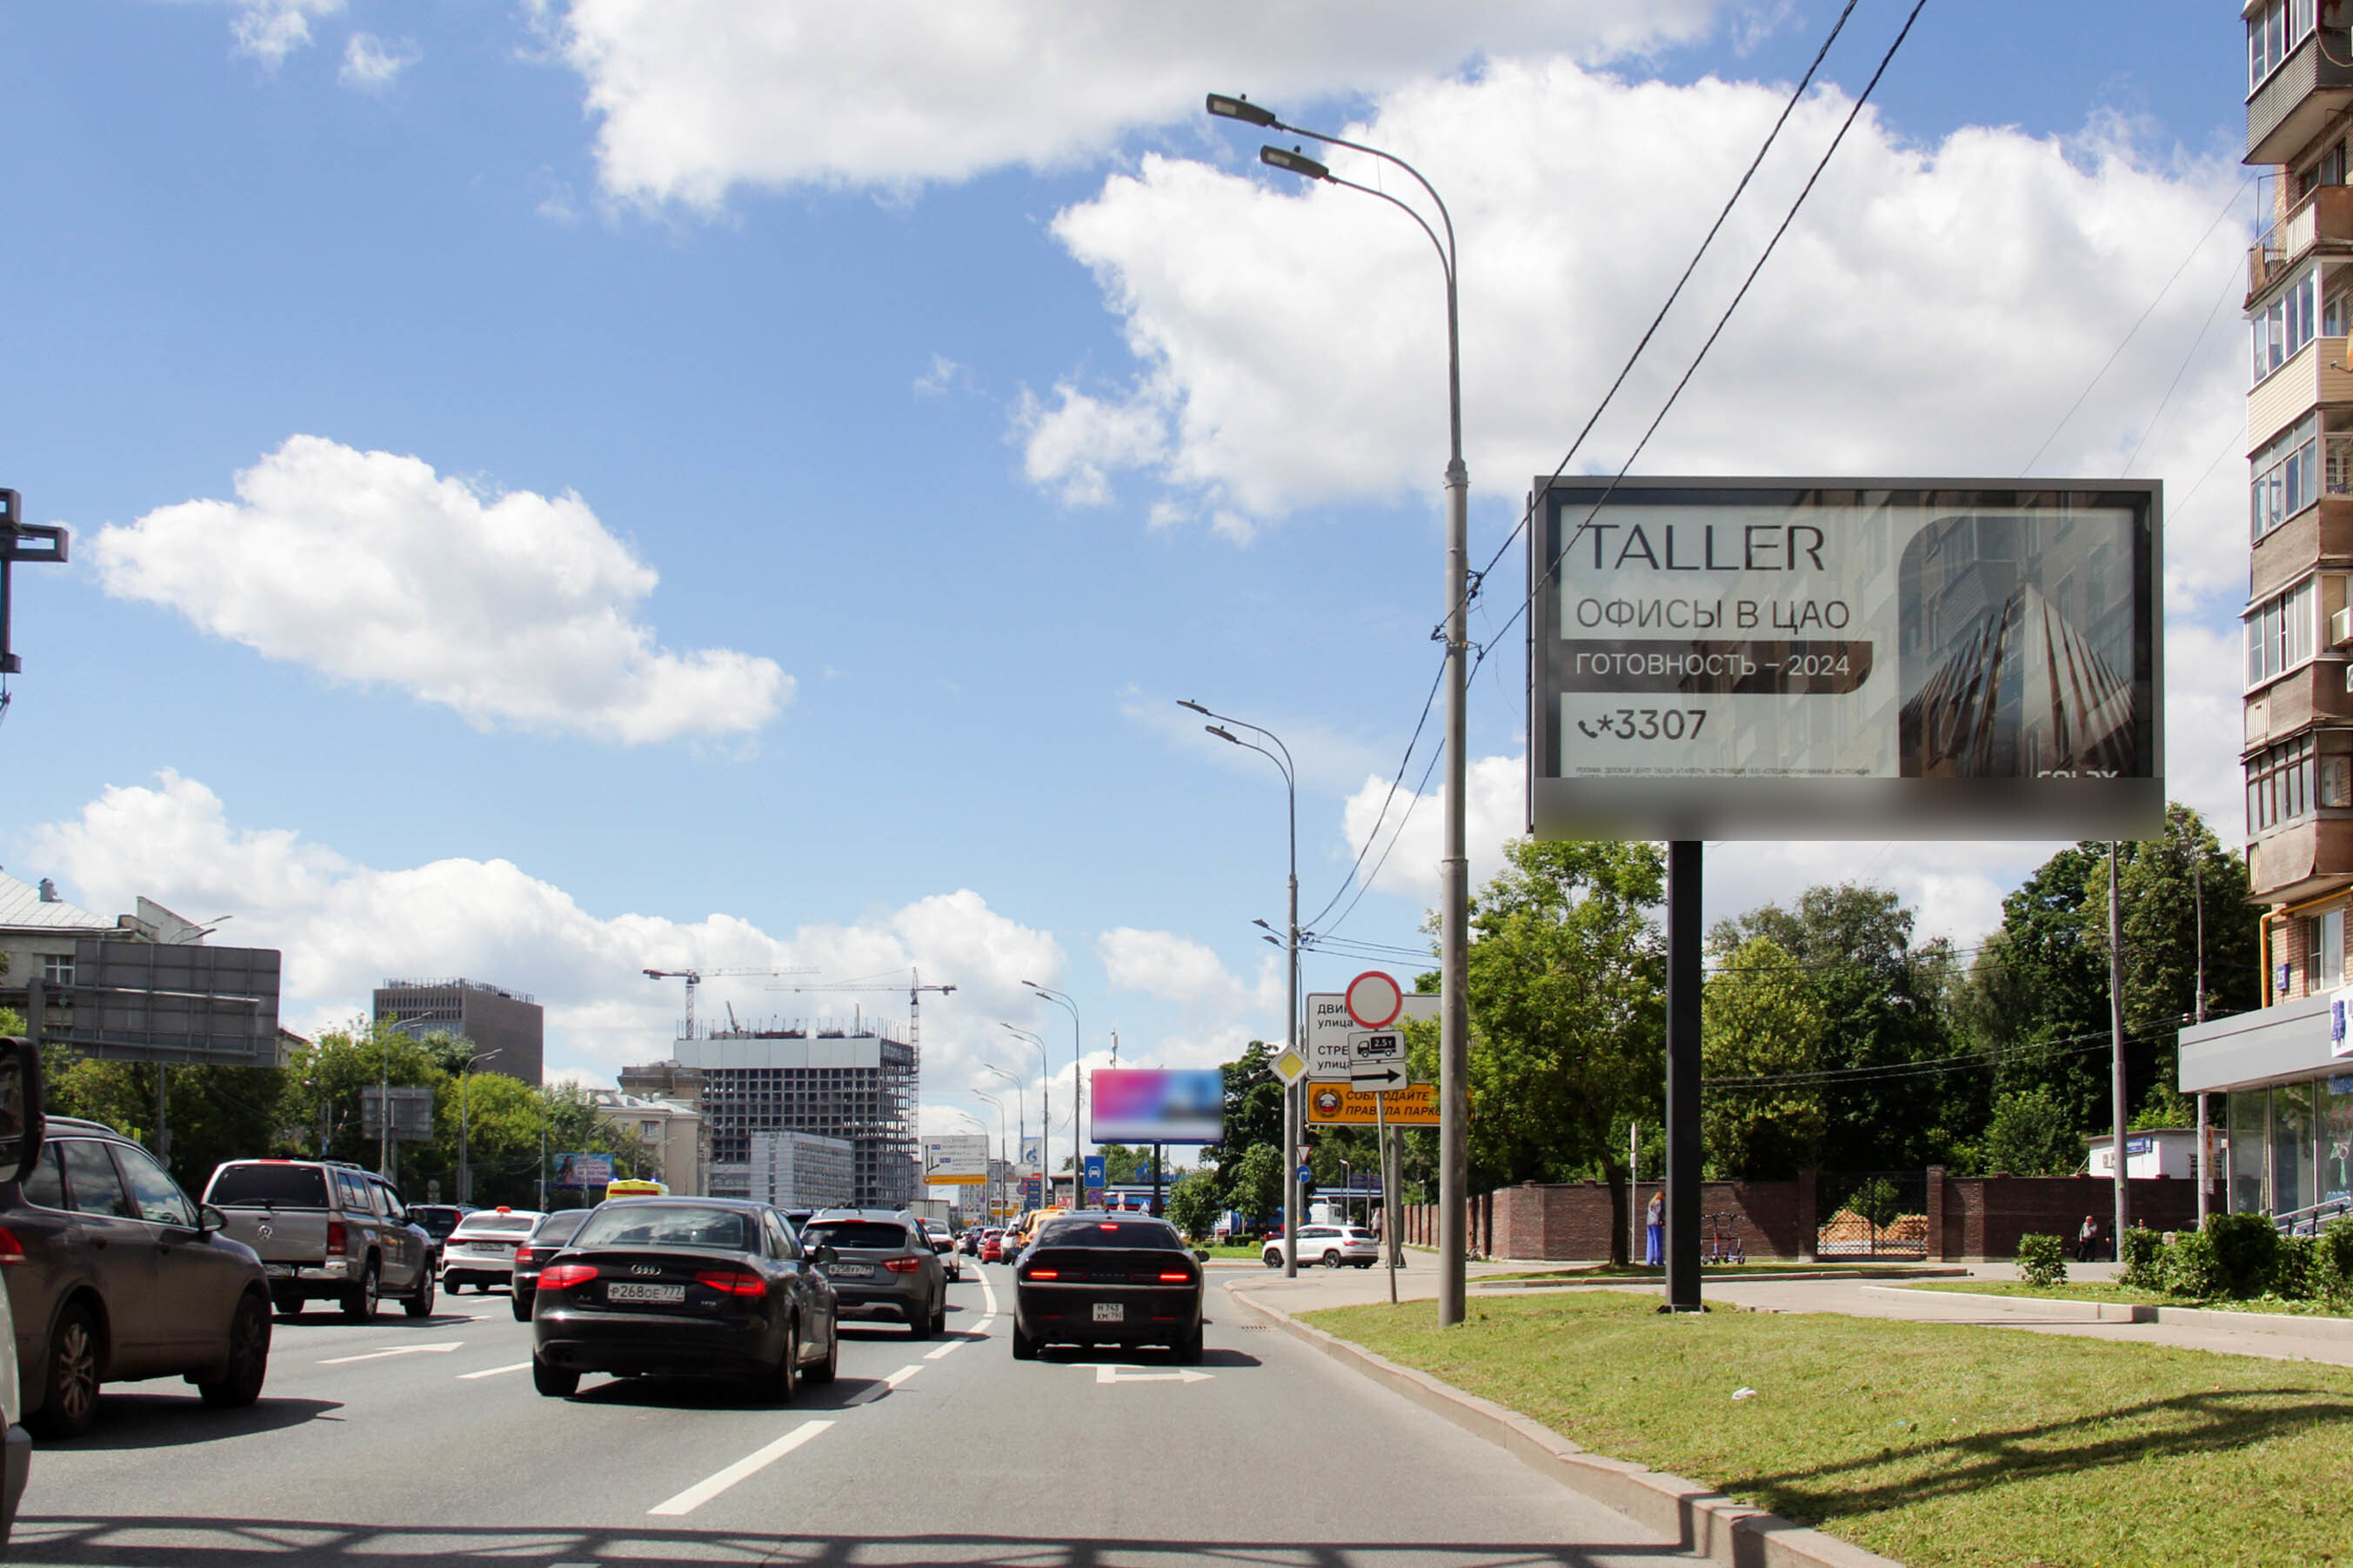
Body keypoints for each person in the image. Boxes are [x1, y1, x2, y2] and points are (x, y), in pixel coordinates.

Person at [1644, 1190, 1664, 1267]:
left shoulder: (1652, 1201)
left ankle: (1649, 1261)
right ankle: (1659, 1261)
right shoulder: (1659, 1201)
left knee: (1650, 1242)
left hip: (1649, 1223)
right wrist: (1662, 1220)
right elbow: (1659, 1212)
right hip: (1656, 1222)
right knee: (1658, 1242)